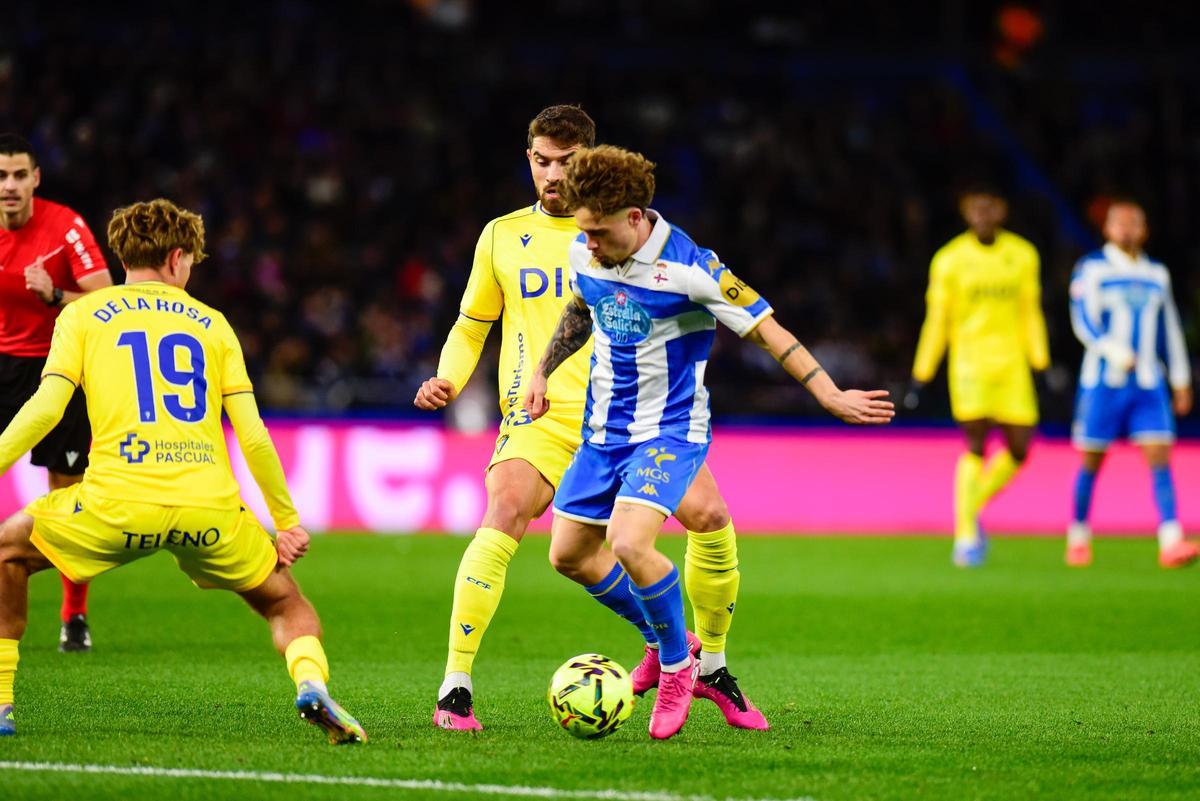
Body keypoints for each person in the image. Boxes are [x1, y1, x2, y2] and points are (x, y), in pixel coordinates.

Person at [525, 145, 894, 739]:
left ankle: (677, 668)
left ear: (636, 216)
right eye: (583, 232)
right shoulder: (584, 246)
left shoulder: (693, 269)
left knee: (629, 543)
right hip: (603, 431)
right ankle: (670, 638)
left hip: (670, 432)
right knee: (566, 554)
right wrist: (543, 370)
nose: (587, 243)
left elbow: (769, 330)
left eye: (598, 232)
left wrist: (827, 393)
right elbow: (582, 308)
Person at [415, 106, 758, 732]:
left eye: (567, 163)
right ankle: (455, 686)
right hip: (539, 416)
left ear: (590, 164)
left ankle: (710, 665)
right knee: (506, 510)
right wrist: (448, 377)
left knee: (709, 516)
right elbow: (472, 325)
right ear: (529, 159)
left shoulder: (612, 231)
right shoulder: (500, 236)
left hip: (631, 416)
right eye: (542, 161)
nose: (552, 174)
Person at [0, 199, 365, 742]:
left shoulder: (82, 314)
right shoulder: (212, 325)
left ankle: (3, 702)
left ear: (124, 254)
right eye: (191, 260)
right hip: (209, 506)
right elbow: (254, 435)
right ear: (176, 258)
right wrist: (285, 521)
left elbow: (47, 409)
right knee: (287, 603)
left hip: (117, 503)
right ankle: (310, 684)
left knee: (8, 550)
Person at [0, 133, 113, 651]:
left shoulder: (65, 226)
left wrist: (55, 294)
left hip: (58, 370)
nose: (10, 186)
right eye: (2, 176)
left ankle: (74, 615)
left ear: (35, 178)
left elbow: (109, 297)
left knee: (66, 496)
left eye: (19, 175)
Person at [906, 187, 1049, 567]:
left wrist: (1041, 361)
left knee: (1020, 448)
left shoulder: (1022, 255)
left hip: (1012, 364)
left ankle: (969, 509)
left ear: (1002, 210)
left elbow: (1030, 312)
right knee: (976, 444)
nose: (983, 214)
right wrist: (923, 372)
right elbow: (938, 320)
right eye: (976, 208)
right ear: (966, 212)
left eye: (991, 207)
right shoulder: (950, 260)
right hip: (969, 364)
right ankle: (966, 535)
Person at [1065, 200, 1195, 568]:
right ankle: (1078, 534)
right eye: (1119, 222)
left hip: (1148, 383)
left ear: (1144, 229)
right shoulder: (1092, 269)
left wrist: (1181, 379)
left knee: (1160, 456)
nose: (1126, 229)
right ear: (1106, 229)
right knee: (1092, 461)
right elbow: (1083, 321)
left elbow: (1170, 329)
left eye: (1134, 222)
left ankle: (1171, 539)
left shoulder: (1157, 274)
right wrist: (1113, 350)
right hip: (1103, 383)